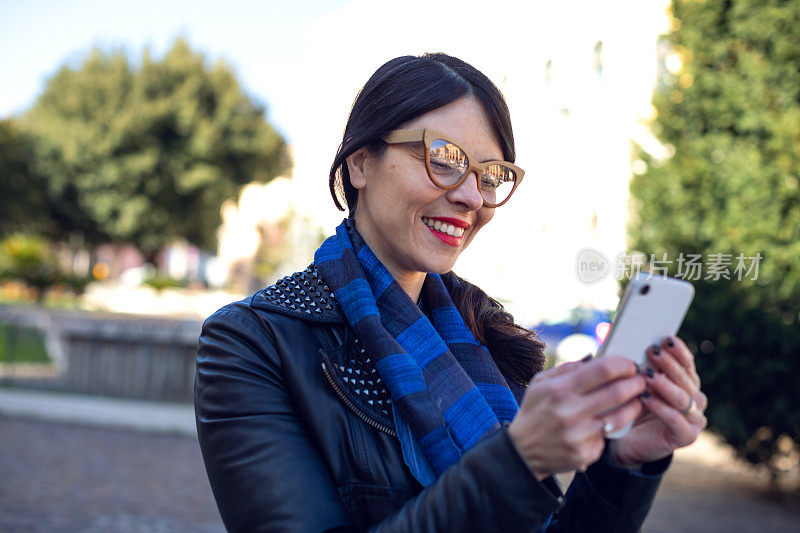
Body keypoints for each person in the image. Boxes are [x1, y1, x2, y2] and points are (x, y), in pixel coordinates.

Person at [194, 53, 708, 532]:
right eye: (444, 157)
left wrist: (624, 463)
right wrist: (516, 461)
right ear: (360, 163)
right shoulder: (250, 343)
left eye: (491, 175)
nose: (470, 197)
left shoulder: (485, 334)